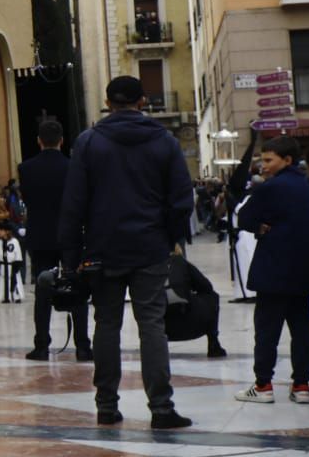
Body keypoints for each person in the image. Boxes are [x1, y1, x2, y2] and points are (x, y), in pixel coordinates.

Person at [61, 75, 194, 429]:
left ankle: (106, 404)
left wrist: (71, 259)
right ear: (142, 101)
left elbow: (73, 205)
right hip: (150, 246)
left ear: (108, 101)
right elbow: (182, 198)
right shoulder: (164, 141)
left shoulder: (88, 143)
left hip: (103, 248)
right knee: (152, 324)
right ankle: (161, 408)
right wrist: (170, 237)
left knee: (106, 324)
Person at [233, 135, 309, 405]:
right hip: (304, 270)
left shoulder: (269, 188)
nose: (264, 165)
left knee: (267, 330)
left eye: (269, 160)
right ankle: (302, 384)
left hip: (274, 269)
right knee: (300, 330)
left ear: (287, 160)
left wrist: (261, 227)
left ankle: (263, 384)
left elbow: (245, 217)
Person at [22, 119, 89, 361]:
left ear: (38, 140)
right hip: (69, 235)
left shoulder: (25, 168)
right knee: (77, 287)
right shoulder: (73, 167)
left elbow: (29, 200)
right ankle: (83, 345)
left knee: (42, 291)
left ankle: (41, 345)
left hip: (40, 235)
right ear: (62, 141)